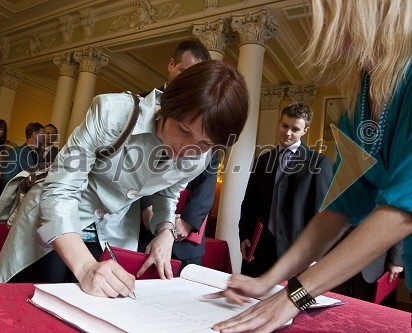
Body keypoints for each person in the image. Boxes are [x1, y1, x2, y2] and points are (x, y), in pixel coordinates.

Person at [209, 1, 411, 332]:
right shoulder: (357, 102)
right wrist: (269, 281)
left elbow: (402, 211)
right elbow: (339, 207)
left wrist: (294, 294)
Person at [0, 61, 250, 299]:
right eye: (183, 130)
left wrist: (165, 232)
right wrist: (85, 266)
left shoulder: (199, 158)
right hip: (57, 221)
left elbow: (168, 193)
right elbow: (61, 189)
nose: (188, 149)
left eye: (205, 143)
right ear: (168, 105)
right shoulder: (113, 113)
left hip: (112, 234)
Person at [138, 39, 218, 270]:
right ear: (171, 65)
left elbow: (208, 173)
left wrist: (187, 221)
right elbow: (133, 164)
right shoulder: (141, 104)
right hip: (142, 217)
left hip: (185, 230)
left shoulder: (208, 115)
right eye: (184, 72)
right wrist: (146, 206)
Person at [239, 102, 333, 277]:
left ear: (305, 131)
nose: (287, 133)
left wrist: (316, 254)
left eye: (295, 129)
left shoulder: (319, 163)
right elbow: (249, 203)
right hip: (259, 249)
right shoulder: (263, 160)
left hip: (296, 252)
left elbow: (322, 213)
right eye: (284, 125)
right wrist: (244, 235)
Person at [1, 122, 45, 187]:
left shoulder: (40, 156)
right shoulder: (16, 152)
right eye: (42, 134)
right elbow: (7, 179)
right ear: (34, 134)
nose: (44, 137)